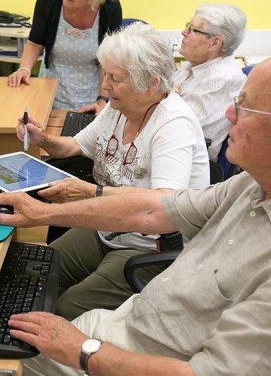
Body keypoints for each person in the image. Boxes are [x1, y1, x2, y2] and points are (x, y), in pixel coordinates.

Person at [0, 53, 271, 376]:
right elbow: (153, 209)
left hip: (139, 359)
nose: (228, 116)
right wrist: (39, 211)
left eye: (245, 110)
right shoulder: (264, 182)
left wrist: (81, 349)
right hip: (134, 325)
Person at [18, 22, 209, 320]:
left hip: (148, 244)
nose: (104, 86)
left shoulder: (174, 125)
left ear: (151, 83)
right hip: (108, 226)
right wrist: (44, 139)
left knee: (66, 307)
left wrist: (93, 192)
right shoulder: (117, 107)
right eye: (104, 74)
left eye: (115, 78)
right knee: (33, 270)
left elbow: (162, 204)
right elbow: (74, 147)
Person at [7, 0, 122, 114]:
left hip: (91, 96)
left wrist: (102, 100)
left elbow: (109, 62)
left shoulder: (110, 8)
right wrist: (24, 69)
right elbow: (35, 43)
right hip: (50, 89)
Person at [174, 4, 247, 160]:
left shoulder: (222, 78)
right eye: (188, 26)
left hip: (188, 163)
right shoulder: (194, 64)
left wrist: (167, 98)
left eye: (193, 30)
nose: (184, 32)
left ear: (215, 43)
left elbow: (182, 130)